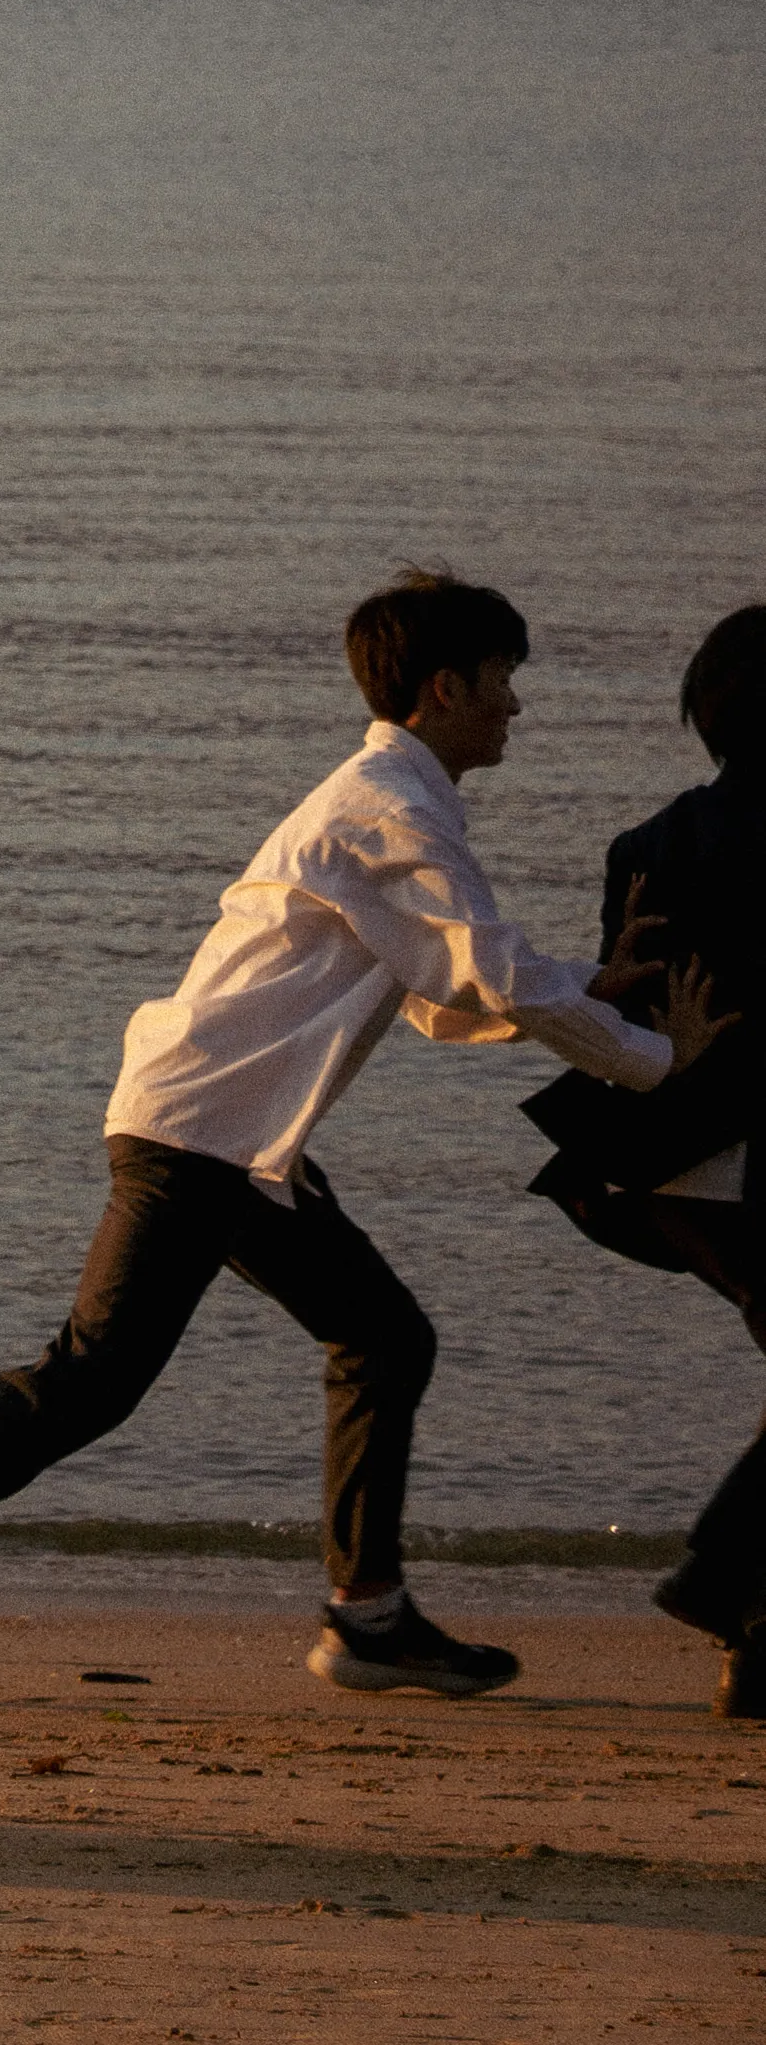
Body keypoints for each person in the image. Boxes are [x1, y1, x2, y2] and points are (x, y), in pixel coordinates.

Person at [0, 566, 667, 1705]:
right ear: (445, 686)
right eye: (502, 679)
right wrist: (659, 1067)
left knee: (381, 1338)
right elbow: (485, 970)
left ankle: (367, 1613)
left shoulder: (394, 800)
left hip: (235, 1141)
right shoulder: (386, 805)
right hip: (196, 1131)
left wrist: (592, 981)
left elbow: (448, 984)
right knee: (94, 1376)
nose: (514, 704)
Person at [523, 604, 766, 1721]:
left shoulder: (647, 843)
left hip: (656, 1172)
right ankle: (720, 1579)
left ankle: (751, 1638)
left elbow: (627, 1014)